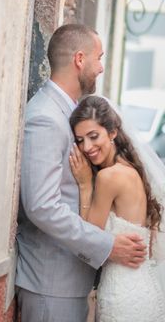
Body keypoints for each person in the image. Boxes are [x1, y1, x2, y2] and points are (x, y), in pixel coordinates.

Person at [16, 23, 147, 321]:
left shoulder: (70, 113)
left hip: (69, 281)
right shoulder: (46, 118)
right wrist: (108, 245)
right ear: (79, 59)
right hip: (51, 284)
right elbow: (41, 205)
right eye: (98, 57)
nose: (101, 67)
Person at [69, 96, 165, 321]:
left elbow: (89, 239)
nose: (87, 148)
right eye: (80, 140)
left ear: (112, 132)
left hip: (121, 293)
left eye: (94, 137)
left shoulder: (108, 177)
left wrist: (84, 186)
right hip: (144, 288)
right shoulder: (133, 170)